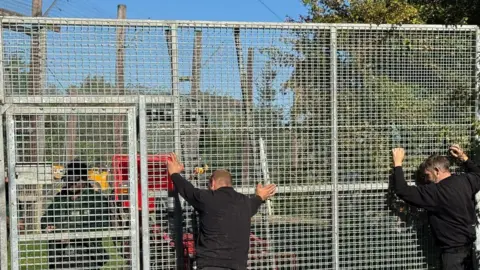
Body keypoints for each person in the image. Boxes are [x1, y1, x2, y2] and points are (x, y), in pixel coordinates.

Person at [166, 152, 277, 270]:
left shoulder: (208, 198)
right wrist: (260, 196)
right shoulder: (245, 203)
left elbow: (188, 190)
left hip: (211, 265)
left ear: (213, 183)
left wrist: (174, 174)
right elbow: (256, 201)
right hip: (238, 266)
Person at [391, 144, 480, 270]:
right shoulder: (465, 181)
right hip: (470, 252)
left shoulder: (435, 192)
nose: (427, 180)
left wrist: (398, 163)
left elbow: (402, 190)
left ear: (437, 171)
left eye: (427, 175)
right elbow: (478, 173)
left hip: (452, 257)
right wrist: (463, 157)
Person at [41, 161, 110, 269]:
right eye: (69, 179)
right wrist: (47, 227)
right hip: (61, 257)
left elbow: (102, 225)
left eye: (75, 179)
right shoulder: (60, 199)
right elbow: (45, 219)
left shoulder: (96, 200)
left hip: (87, 256)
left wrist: (71, 235)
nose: (72, 183)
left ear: (84, 179)